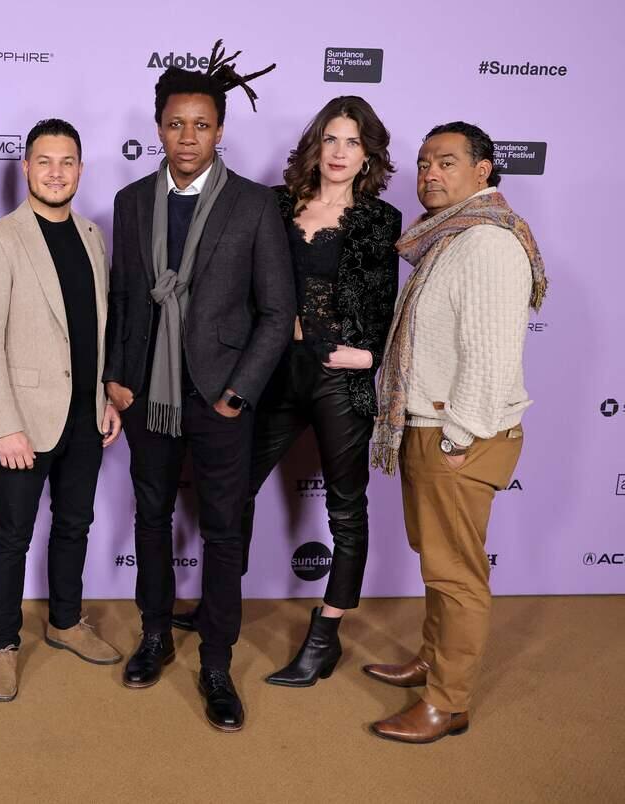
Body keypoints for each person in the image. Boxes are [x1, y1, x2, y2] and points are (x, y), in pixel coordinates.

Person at [171, 96, 402, 689]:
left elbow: (381, 303)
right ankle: (221, 603)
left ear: (368, 154)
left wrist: (368, 353)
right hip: (271, 369)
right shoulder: (273, 204)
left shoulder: (379, 220)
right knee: (230, 487)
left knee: (346, 511)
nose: (340, 153)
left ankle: (324, 638)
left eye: (353, 142)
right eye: (331, 140)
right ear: (315, 147)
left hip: (335, 378)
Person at [104, 42, 294, 732]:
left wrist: (237, 393)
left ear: (220, 130)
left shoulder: (251, 204)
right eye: (176, 124)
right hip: (147, 395)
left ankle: (216, 660)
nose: (188, 137)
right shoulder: (130, 202)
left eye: (202, 125)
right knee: (150, 519)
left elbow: (277, 312)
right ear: (158, 128)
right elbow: (124, 299)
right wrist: (116, 379)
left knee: (221, 531)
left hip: (219, 398)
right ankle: (155, 635)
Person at [365, 121, 546, 743]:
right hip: (429, 425)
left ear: (483, 171)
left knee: (457, 575)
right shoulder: (449, 239)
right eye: (423, 164)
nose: (429, 175)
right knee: (437, 562)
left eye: (445, 162)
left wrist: (457, 439)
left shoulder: (489, 244)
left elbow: (492, 359)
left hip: (458, 435)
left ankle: (448, 702)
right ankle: (432, 661)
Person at [0, 119, 123, 703]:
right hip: (24, 422)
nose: (56, 172)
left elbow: (95, 330)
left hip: (85, 414)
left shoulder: (90, 234)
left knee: (74, 524)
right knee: (10, 537)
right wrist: (3, 425)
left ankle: (64, 620)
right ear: (25, 168)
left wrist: (105, 396)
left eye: (67, 162)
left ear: (80, 170)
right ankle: (3, 643)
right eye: (44, 161)